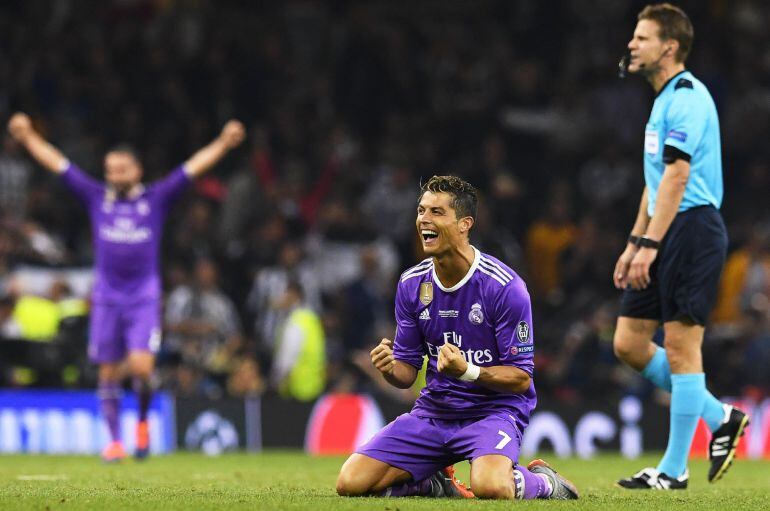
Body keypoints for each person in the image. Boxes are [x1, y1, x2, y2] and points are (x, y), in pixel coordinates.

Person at [7, 112, 245, 461]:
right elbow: (57, 162)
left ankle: (144, 423)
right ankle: (115, 441)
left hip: (143, 297)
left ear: (137, 170)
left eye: (121, 170)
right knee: (107, 371)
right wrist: (27, 137)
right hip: (106, 297)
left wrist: (224, 143)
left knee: (142, 369)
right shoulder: (95, 196)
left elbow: (193, 167)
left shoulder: (156, 198)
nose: (114, 176)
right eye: (109, 170)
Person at [335, 175, 578, 500]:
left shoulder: (504, 287)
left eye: (437, 212)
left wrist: (468, 371)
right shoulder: (411, 285)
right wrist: (389, 367)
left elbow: (521, 378)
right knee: (351, 483)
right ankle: (433, 482)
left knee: (490, 487)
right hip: (435, 412)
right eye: (421, 210)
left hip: (493, 411)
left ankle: (546, 482)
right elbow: (407, 374)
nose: (424, 219)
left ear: (465, 224)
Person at [612, 4, 749, 489]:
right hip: (665, 228)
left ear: (669, 47)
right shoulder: (662, 100)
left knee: (680, 347)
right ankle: (720, 418)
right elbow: (655, 184)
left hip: (692, 229)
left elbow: (678, 175)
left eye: (642, 38)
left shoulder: (687, 97)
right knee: (628, 342)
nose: (632, 45)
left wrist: (651, 244)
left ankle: (673, 471)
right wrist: (635, 243)